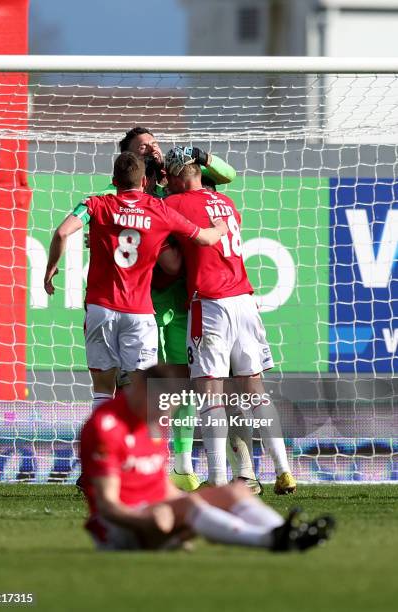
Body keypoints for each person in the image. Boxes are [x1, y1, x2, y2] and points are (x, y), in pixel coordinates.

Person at [96, 127, 238, 492]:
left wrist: (202, 155)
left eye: (155, 143)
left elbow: (228, 174)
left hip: (186, 298)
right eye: (143, 147)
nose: (154, 149)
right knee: (147, 381)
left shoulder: (182, 177)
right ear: (133, 159)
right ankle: (136, 460)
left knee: (186, 381)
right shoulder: (136, 196)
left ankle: (183, 464)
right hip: (146, 301)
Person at [43, 151, 228, 410]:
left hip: (100, 308)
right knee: (141, 391)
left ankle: (101, 447)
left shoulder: (95, 205)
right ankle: (142, 449)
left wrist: (51, 268)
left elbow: (62, 232)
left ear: (114, 181)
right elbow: (206, 238)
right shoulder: (160, 210)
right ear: (144, 182)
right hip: (140, 313)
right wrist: (220, 227)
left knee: (103, 390)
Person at [80, 366, 334, 552]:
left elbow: (159, 487)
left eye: (168, 408)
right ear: (139, 391)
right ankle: (271, 541)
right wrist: (151, 520)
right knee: (188, 509)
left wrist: (178, 507)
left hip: (159, 510)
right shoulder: (106, 426)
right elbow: (107, 506)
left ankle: (290, 532)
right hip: (119, 529)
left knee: (235, 491)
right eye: (160, 406)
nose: (163, 414)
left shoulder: (153, 419)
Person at [163, 146, 297, 495]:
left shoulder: (175, 204)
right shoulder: (226, 204)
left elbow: (169, 254)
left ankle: (218, 478)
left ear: (177, 177)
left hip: (210, 304)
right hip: (245, 301)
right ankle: (284, 470)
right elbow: (227, 176)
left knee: (211, 395)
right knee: (255, 391)